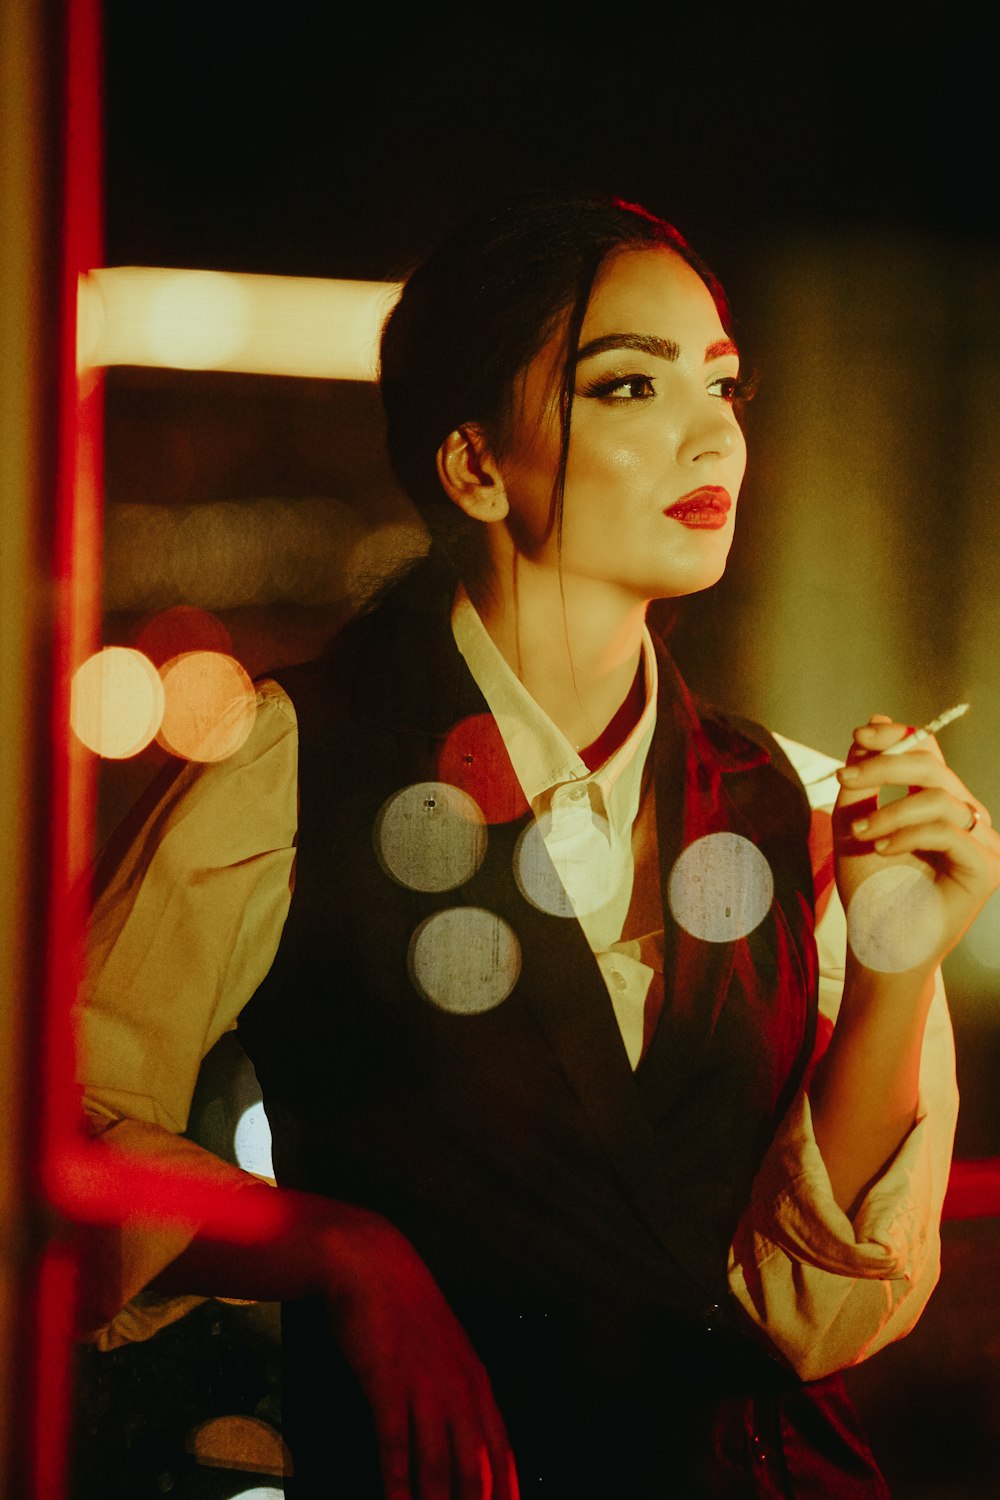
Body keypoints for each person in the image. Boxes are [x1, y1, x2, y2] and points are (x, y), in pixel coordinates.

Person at [77, 189, 1000, 1499]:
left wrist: (900, 950)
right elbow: (65, 1130)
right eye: (630, 386)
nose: (711, 435)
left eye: (724, 387)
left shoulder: (805, 802)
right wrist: (339, 1250)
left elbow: (807, 1317)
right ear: (472, 464)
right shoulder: (296, 764)